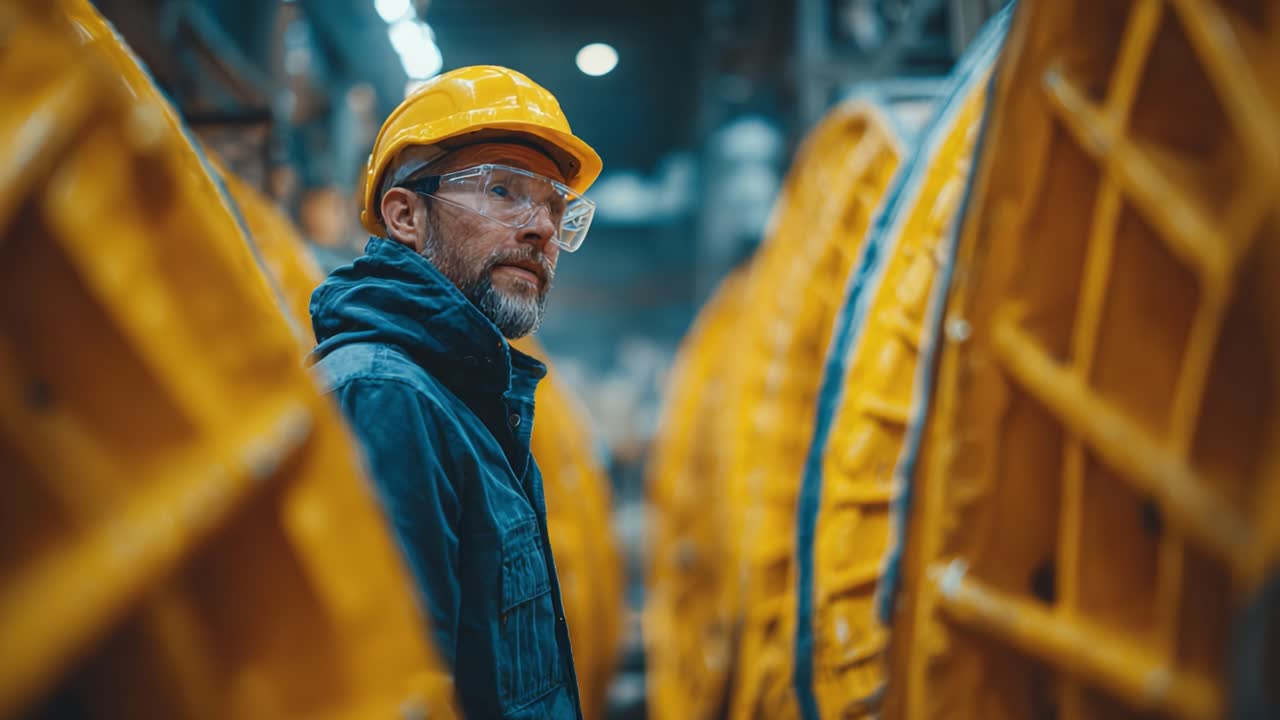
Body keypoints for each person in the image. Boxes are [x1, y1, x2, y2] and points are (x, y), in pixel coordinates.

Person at [308, 65, 601, 719]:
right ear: (406, 215)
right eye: (504, 191)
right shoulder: (384, 398)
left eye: (556, 207)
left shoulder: (468, 402)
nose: (543, 230)